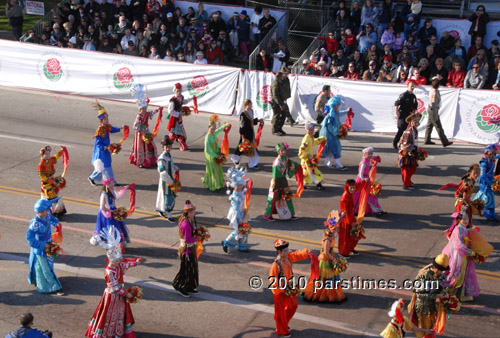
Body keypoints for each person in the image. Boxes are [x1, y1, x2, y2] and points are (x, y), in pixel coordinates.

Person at [85, 227, 143, 338]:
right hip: (112, 296)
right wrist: (128, 294)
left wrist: (135, 262)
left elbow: (125, 264)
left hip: (119, 295)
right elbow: (115, 287)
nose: (119, 261)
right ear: (111, 260)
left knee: (119, 314)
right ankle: (108, 332)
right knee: (110, 315)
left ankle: (117, 331)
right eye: (117, 260)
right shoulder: (109, 272)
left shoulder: (117, 265)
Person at [269, 239, 312, 337]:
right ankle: (282, 331)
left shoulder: (288, 257)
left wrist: (306, 252)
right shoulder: (275, 266)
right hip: (279, 291)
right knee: (280, 312)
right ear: (279, 252)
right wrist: (281, 289)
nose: (287, 252)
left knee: (293, 306)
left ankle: (282, 323)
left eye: (287, 250)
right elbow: (273, 281)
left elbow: (296, 255)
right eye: (285, 251)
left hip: (289, 288)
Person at [301, 211, 347, 303]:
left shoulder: (330, 232)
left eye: (336, 228)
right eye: (334, 229)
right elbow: (326, 252)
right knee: (325, 278)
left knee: (330, 278)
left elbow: (336, 221)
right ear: (330, 227)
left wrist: (341, 216)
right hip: (326, 259)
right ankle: (323, 294)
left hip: (330, 256)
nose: (335, 230)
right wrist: (334, 260)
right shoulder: (327, 239)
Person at [27, 199, 64, 295]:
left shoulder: (47, 214)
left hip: (49, 244)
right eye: (42, 211)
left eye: (45, 210)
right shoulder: (34, 223)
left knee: (47, 265)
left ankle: (45, 283)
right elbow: (30, 239)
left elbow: (52, 219)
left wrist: (57, 224)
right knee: (46, 267)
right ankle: (55, 287)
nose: (44, 212)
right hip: (40, 249)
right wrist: (42, 245)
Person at [442, 211, 481, 302]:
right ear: (459, 220)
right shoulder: (458, 230)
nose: (466, 221)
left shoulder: (462, 228)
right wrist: (471, 252)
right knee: (456, 274)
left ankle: (461, 293)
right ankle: (449, 292)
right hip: (458, 256)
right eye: (464, 219)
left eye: (467, 219)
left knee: (462, 274)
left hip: (461, 255)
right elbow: (460, 245)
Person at [407, 254, 449, 338]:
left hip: (432, 307)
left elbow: (438, 286)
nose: (442, 272)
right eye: (441, 270)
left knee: (431, 328)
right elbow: (421, 294)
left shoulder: (439, 275)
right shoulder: (424, 276)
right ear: (436, 269)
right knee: (424, 330)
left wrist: (442, 290)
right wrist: (438, 295)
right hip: (423, 308)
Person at [88, 102, 124, 186]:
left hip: (107, 149)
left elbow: (113, 129)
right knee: (106, 166)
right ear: (102, 120)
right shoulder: (100, 130)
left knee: (102, 168)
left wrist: (120, 128)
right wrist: (104, 147)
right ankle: (112, 182)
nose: (107, 120)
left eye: (107, 118)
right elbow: (97, 144)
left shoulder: (107, 126)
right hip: (102, 152)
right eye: (106, 119)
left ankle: (92, 177)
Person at [263, 143, 300, 221]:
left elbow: (291, 162)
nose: (284, 152)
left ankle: (291, 214)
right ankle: (268, 215)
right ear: (278, 151)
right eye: (282, 150)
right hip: (277, 182)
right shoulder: (277, 163)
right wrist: (283, 186)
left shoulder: (285, 158)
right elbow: (276, 176)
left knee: (287, 197)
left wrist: (295, 166)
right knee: (273, 199)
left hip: (282, 180)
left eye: (284, 150)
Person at [91, 177, 132, 246]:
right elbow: (102, 207)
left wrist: (127, 187)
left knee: (116, 226)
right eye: (110, 183)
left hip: (113, 211)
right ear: (106, 185)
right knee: (110, 227)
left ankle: (118, 242)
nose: (112, 184)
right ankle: (111, 243)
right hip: (106, 214)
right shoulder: (104, 194)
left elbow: (119, 190)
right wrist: (111, 210)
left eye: (112, 182)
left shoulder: (112, 190)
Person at [172, 200, 201, 297]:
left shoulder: (188, 220)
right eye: (192, 212)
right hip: (186, 251)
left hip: (190, 249)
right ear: (187, 213)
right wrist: (198, 238)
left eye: (194, 212)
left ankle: (190, 286)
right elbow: (188, 240)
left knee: (192, 269)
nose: (194, 214)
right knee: (186, 270)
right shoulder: (185, 224)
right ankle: (181, 287)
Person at [222, 168, 252, 253]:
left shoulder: (240, 191)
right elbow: (235, 209)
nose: (240, 186)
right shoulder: (235, 196)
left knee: (244, 230)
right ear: (234, 185)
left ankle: (243, 247)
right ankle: (226, 243)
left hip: (242, 212)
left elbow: (247, 181)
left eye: (241, 184)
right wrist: (239, 218)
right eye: (238, 185)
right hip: (237, 214)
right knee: (238, 231)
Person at [129, 84, 158, 168]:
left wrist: (157, 110)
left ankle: (150, 159)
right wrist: (141, 128)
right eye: (144, 108)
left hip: (146, 131)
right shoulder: (139, 116)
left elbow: (151, 113)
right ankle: (142, 161)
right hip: (141, 133)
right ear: (140, 109)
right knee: (142, 147)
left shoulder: (146, 113)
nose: (145, 110)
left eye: (146, 108)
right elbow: (135, 126)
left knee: (150, 145)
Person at [319, 96, 351, 170]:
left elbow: (339, 113)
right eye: (337, 105)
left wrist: (347, 111)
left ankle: (327, 162)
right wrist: (336, 132)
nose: (338, 106)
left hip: (331, 133)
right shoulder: (330, 114)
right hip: (329, 134)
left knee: (329, 148)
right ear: (334, 105)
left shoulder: (335, 112)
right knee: (335, 147)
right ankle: (338, 164)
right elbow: (329, 126)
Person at [231, 99, 263, 170]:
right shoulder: (243, 114)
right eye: (248, 105)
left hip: (251, 133)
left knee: (248, 148)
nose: (250, 106)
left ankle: (248, 162)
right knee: (244, 148)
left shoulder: (251, 111)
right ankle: (239, 160)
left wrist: (258, 120)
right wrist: (243, 137)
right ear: (245, 106)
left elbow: (251, 121)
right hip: (245, 134)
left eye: (250, 104)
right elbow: (242, 126)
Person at [354, 147, 386, 217]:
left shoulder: (367, 159)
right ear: (365, 154)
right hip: (362, 180)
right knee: (361, 194)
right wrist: (363, 179)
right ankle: (356, 210)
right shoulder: (364, 162)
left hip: (366, 179)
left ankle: (375, 209)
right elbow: (360, 173)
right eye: (368, 154)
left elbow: (373, 158)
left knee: (367, 195)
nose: (370, 155)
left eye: (371, 154)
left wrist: (376, 158)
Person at [38, 146, 68, 218]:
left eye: (48, 153)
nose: (48, 155)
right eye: (46, 154)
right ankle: (53, 214)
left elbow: (56, 157)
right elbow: (42, 176)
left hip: (52, 180)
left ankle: (59, 211)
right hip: (47, 183)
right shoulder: (41, 164)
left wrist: (61, 151)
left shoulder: (50, 159)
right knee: (53, 199)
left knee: (57, 195)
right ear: (42, 155)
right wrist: (51, 181)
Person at [202, 115, 230, 191]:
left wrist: (224, 125)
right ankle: (213, 185)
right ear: (208, 128)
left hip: (216, 154)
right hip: (210, 156)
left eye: (214, 129)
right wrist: (215, 156)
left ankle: (217, 183)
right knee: (213, 169)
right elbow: (207, 150)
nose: (213, 130)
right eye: (211, 129)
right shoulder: (207, 138)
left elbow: (219, 130)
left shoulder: (214, 134)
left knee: (218, 168)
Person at [473, 144, 500, 222]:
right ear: (486, 153)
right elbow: (483, 175)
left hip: (490, 179)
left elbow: (497, 157)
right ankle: (487, 212)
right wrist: (490, 183)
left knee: (483, 195)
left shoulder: (491, 159)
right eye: (490, 153)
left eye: (493, 153)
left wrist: (495, 181)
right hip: (485, 182)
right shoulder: (484, 163)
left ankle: (477, 207)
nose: (492, 155)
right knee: (488, 196)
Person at [156, 135, 179, 223]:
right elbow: (162, 172)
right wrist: (171, 181)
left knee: (164, 196)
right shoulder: (161, 159)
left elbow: (171, 165)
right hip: (166, 181)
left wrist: (175, 168)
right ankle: (169, 215)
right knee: (168, 196)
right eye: (167, 147)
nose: (168, 149)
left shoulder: (170, 156)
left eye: (169, 147)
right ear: (163, 147)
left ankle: (161, 209)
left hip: (170, 179)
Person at [424, 78, 453, 147]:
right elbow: (434, 103)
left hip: (430, 108)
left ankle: (427, 139)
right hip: (433, 109)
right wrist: (435, 114)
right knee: (438, 126)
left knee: (429, 125)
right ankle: (444, 141)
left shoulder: (432, 90)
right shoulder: (435, 92)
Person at [299, 123, 326, 190]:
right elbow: (301, 150)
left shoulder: (310, 137)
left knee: (307, 172)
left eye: (313, 129)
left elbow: (313, 142)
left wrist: (321, 139)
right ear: (307, 130)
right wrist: (308, 155)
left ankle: (304, 183)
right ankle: (318, 184)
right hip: (306, 159)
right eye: (310, 130)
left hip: (309, 158)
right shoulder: (306, 139)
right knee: (312, 172)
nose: (312, 131)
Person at [398, 112, 421, 189]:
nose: (418, 123)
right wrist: (407, 152)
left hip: (411, 150)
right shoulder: (408, 131)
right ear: (412, 122)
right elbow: (405, 143)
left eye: (418, 122)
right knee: (406, 169)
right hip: (406, 152)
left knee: (413, 168)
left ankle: (407, 181)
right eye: (416, 122)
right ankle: (406, 184)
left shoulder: (414, 130)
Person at [167, 83, 192, 151]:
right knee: (177, 133)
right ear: (175, 91)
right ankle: (181, 146)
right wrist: (179, 114)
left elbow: (184, 102)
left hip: (179, 118)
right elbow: (170, 111)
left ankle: (168, 144)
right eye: (177, 91)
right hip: (174, 119)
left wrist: (191, 98)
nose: (179, 92)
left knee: (174, 133)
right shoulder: (173, 101)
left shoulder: (181, 97)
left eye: (180, 90)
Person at [393, 80, 417, 149]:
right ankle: (395, 142)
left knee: (408, 130)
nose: (412, 87)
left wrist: (413, 114)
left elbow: (415, 106)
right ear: (407, 86)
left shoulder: (413, 96)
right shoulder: (403, 95)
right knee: (401, 129)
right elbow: (396, 104)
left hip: (408, 115)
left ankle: (405, 144)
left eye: (413, 86)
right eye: (411, 86)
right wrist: (396, 113)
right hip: (402, 114)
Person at [270, 72, 289, 136]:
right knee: (276, 116)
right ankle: (274, 130)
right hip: (276, 103)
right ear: (279, 77)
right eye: (282, 76)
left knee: (284, 115)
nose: (283, 77)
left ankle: (279, 128)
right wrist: (280, 105)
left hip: (281, 101)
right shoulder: (275, 84)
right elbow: (275, 96)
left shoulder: (280, 82)